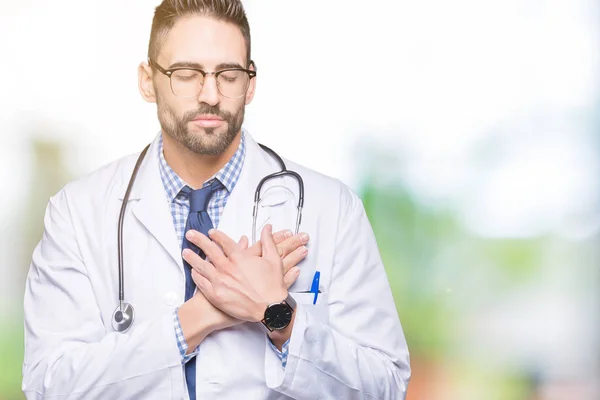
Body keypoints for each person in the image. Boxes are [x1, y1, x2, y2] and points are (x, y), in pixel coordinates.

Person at [22, 0, 411, 399]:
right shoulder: (77, 213)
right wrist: (198, 317)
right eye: (186, 74)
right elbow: (48, 385)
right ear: (147, 81)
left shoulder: (331, 209)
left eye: (228, 74)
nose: (210, 94)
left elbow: (386, 384)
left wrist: (278, 313)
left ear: (251, 82)